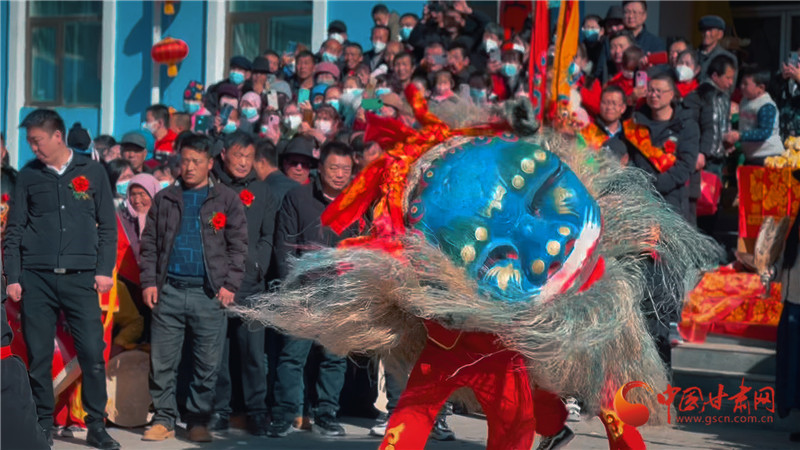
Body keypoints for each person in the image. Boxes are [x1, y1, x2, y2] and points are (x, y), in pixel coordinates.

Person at [4, 109, 119, 449]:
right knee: (39, 355)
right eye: (29, 142)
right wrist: (13, 276)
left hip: (81, 279)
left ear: (57, 136)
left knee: (92, 353)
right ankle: (42, 424)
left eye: (36, 140)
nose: (32, 147)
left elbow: (108, 226)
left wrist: (104, 269)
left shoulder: (92, 171)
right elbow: (15, 229)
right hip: (36, 279)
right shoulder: (28, 175)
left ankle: (96, 424)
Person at [139, 134, 248, 443]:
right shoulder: (165, 198)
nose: (189, 167)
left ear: (210, 163)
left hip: (208, 293)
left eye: (196, 162)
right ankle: (164, 418)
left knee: (207, 364)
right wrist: (149, 282)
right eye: (184, 160)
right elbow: (149, 244)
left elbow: (238, 246)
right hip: (168, 291)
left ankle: (198, 419)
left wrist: (230, 284)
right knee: (162, 362)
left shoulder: (225, 199)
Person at [268, 141, 358, 438]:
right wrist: (292, 288)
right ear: (320, 168)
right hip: (303, 292)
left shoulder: (355, 201)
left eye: (345, 169)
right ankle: (285, 414)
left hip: (340, 294)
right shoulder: (298, 197)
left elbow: (363, 246)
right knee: (292, 356)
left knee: (335, 358)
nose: (340, 174)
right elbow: (284, 245)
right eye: (334, 167)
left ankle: (326, 413)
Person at [208, 131, 277, 436]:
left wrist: (259, 264)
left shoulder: (262, 190)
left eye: (249, 157)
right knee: (218, 354)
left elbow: (267, 235)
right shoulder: (211, 186)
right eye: (238, 155)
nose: (243, 162)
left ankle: (257, 411)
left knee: (253, 354)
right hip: (216, 283)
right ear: (224, 154)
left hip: (251, 285)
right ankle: (220, 410)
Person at [623, 69, 699, 223]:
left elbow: (685, 166)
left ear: (671, 94)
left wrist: (656, 185)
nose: (653, 95)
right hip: (640, 201)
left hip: (672, 200)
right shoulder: (637, 123)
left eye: (659, 91)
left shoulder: (686, 125)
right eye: (650, 90)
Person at [727, 66, 785, 165]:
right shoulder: (744, 101)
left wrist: (740, 135)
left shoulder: (766, 105)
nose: (741, 86)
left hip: (768, 156)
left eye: (746, 84)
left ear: (761, 88)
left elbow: (764, 132)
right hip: (751, 155)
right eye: (741, 83)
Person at [697, 15, 738, 84]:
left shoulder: (728, 58)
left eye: (710, 30)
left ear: (720, 34)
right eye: (704, 30)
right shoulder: (692, 55)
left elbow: (729, 85)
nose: (706, 34)